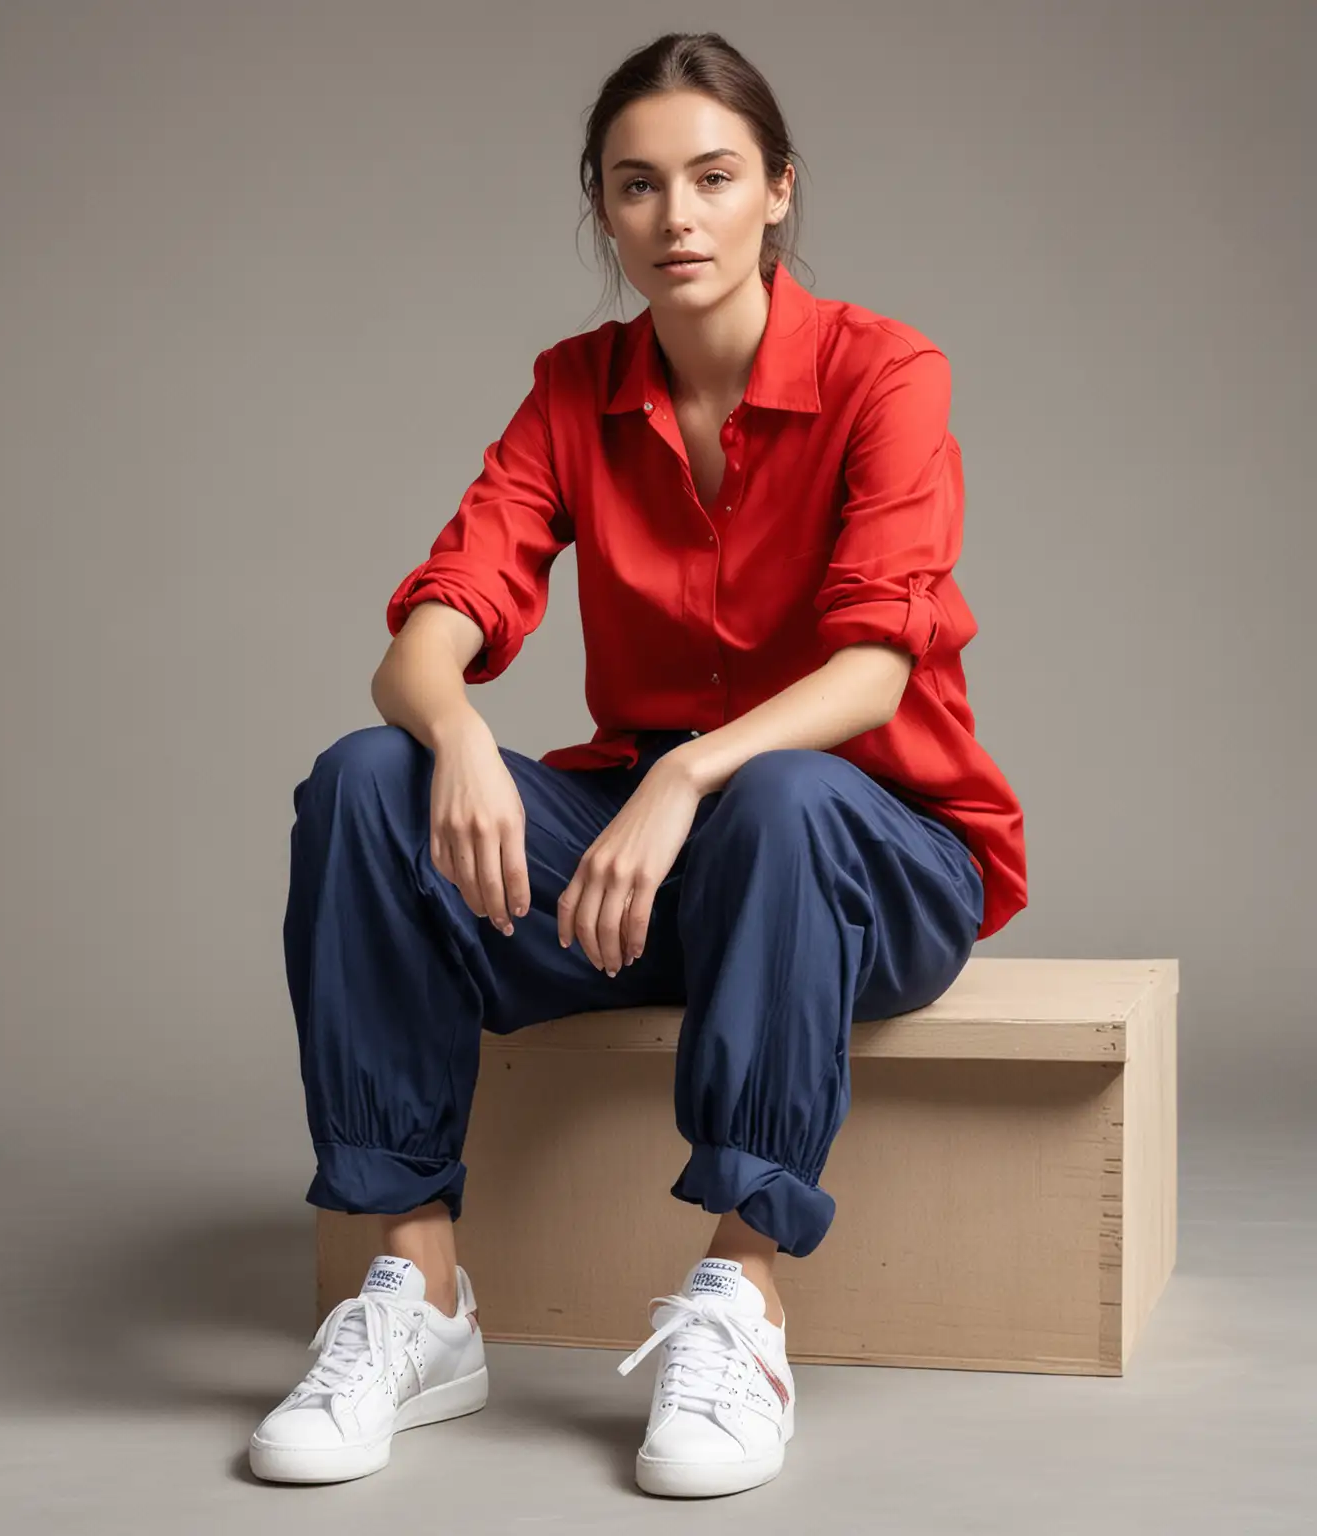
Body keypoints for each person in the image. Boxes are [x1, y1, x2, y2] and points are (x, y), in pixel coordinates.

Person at [250, 29, 1026, 1500]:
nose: (678, 217)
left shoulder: (885, 372)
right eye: (638, 186)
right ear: (602, 209)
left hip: (872, 852)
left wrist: (684, 776)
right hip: (655, 864)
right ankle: (416, 1299)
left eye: (715, 178)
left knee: (779, 790)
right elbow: (424, 636)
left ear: (778, 193)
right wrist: (459, 728)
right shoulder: (575, 389)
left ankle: (743, 1300)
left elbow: (875, 668)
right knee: (365, 776)